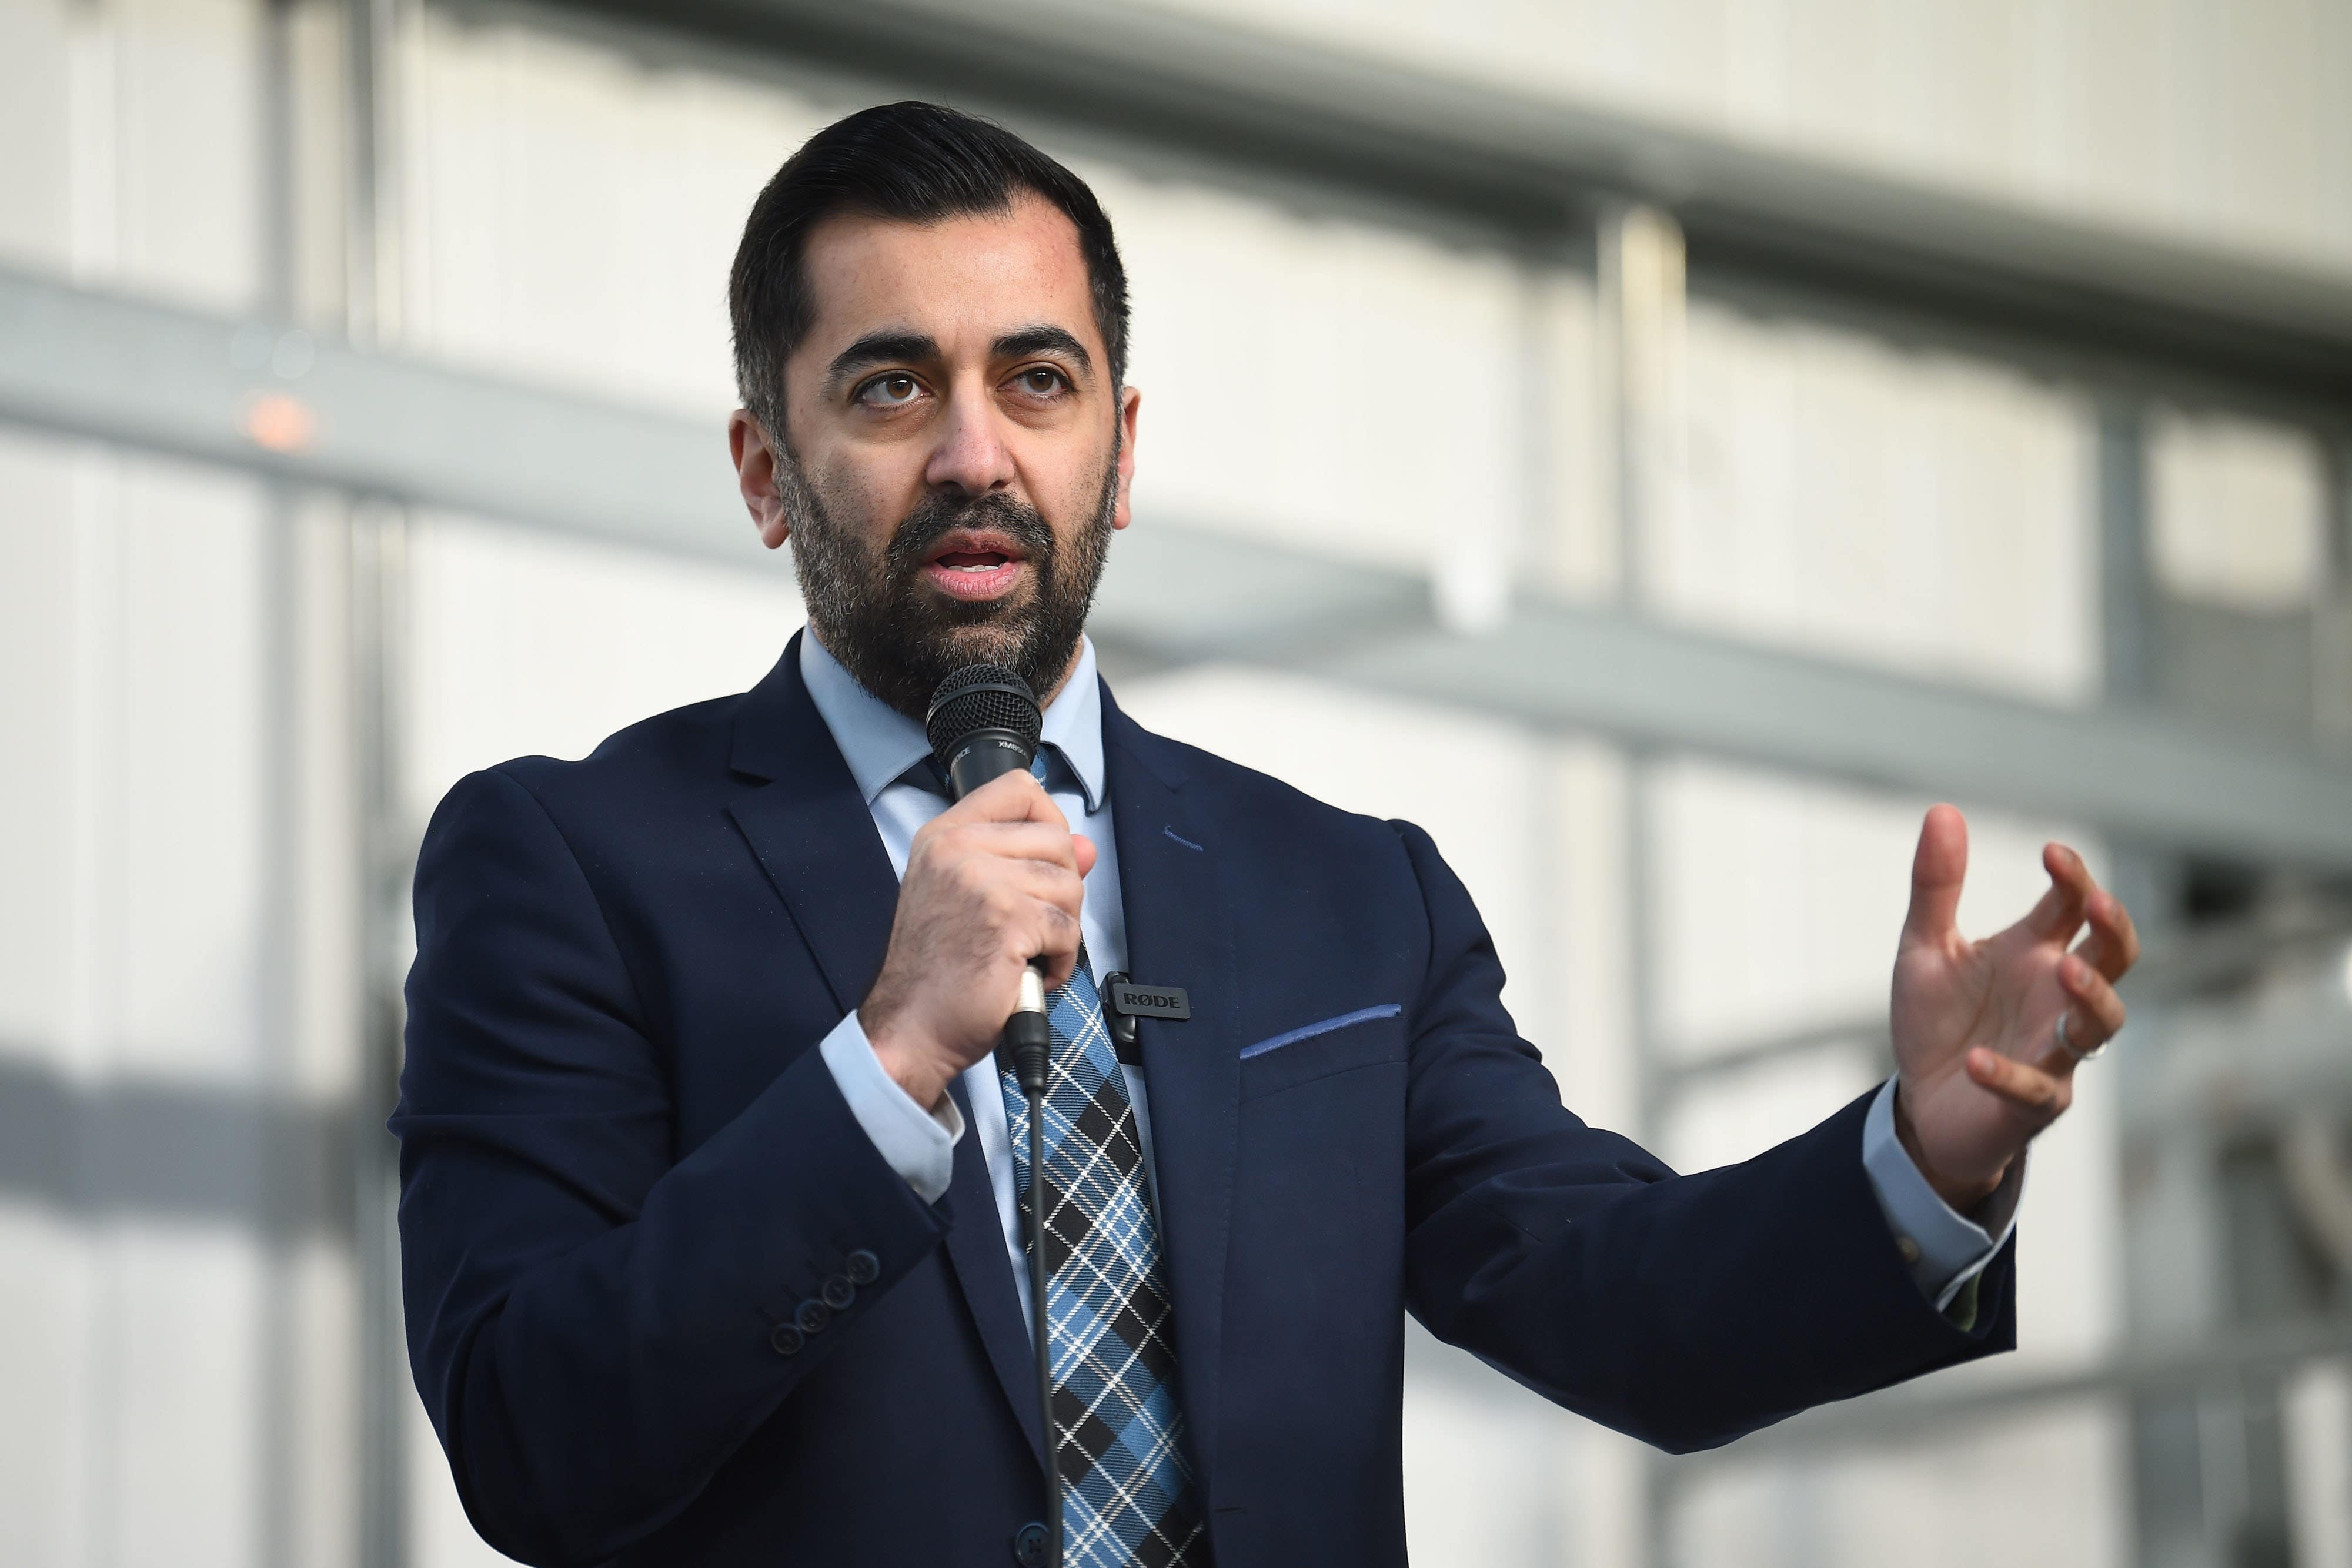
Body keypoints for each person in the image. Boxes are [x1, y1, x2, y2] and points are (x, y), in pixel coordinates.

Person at [393, 101, 2140, 1568]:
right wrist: (889, 1054)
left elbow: (1633, 1306)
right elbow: (531, 1435)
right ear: (765, 466)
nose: (977, 452)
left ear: (1123, 449)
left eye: (1041, 381)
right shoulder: (570, 863)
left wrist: (1928, 1149)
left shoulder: (1347, 896)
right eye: (891, 388)